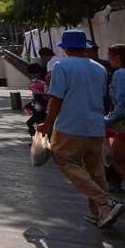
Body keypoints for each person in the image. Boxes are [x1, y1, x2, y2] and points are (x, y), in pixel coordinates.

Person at [37, 29, 124, 228]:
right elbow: (101, 97)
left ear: (65, 48)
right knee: (95, 170)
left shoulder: (61, 66)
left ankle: (105, 202)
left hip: (70, 125)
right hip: (95, 125)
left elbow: (56, 98)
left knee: (64, 159)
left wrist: (48, 124)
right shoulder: (99, 68)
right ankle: (99, 213)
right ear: (84, 47)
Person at [105, 45, 125, 187]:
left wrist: (106, 120)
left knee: (117, 157)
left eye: (109, 55)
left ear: (117, 57)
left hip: (122, 124)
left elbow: (122, 103)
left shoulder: (120, 74)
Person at [25, 63, 49, 137]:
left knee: (37, 122)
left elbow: (47, 92)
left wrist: (39, 92)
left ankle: (40, 138)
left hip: (43, 104)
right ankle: (36, 137)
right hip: (38, 103)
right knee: (30, 122)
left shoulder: (44, 80)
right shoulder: (38, 80)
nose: (34, 76)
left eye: (34, 74)